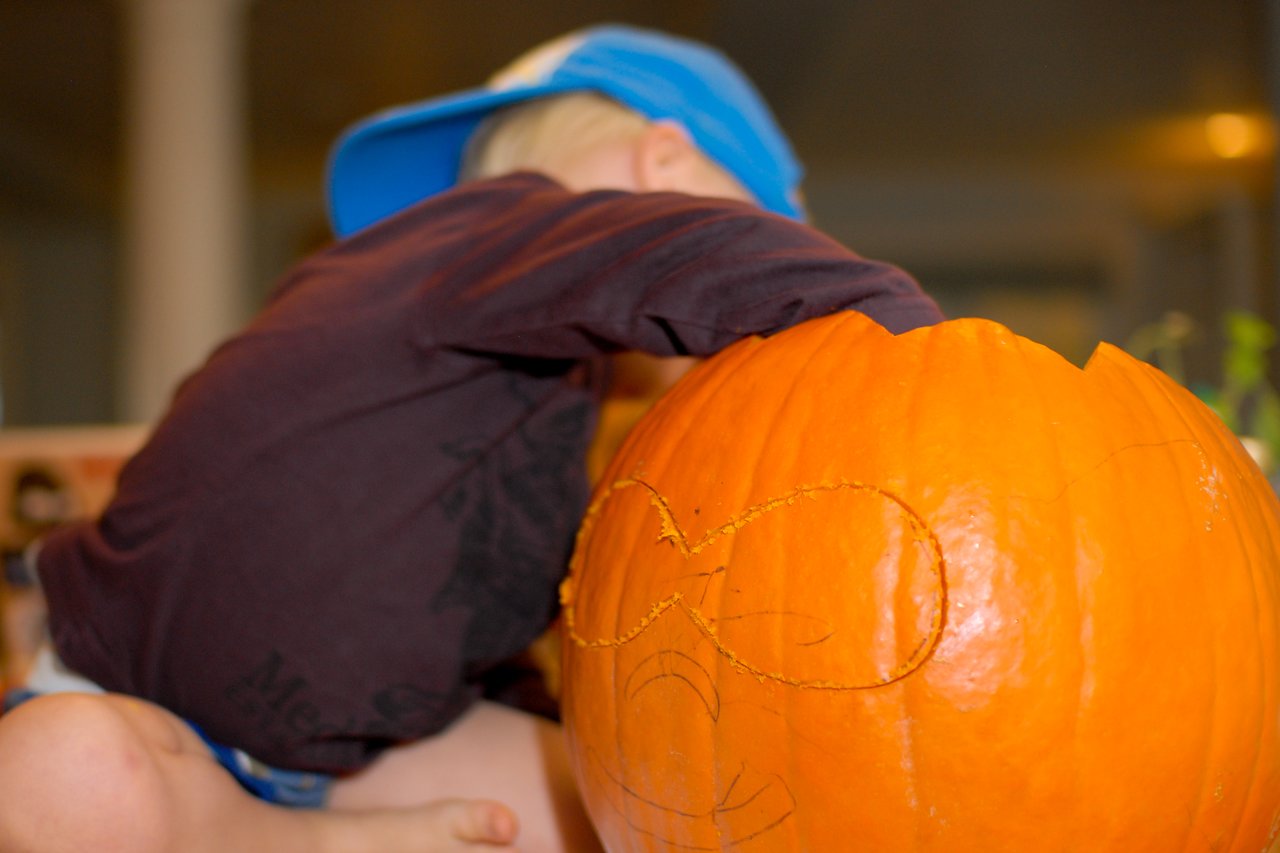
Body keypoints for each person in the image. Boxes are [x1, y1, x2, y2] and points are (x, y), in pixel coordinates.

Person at [0, 23, 943, 852]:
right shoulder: (482, 233)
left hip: (348, 758)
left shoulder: (542, 397)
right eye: (767, 227)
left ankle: (289, 830)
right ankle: (299, 843)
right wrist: (887, 330)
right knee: (57, 780)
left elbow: (473, 621)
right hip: (139, 707)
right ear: (664, 168)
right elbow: (660, 254)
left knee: (623, 809)